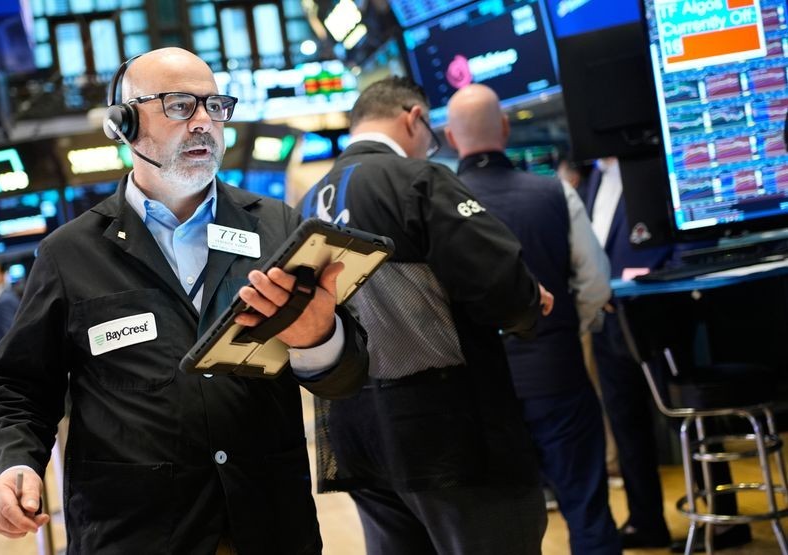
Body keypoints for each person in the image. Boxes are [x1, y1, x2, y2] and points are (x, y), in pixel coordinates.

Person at [0, 47, 368, 553]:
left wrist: (319, 339)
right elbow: (19, 386)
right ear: (124, 123)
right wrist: (13, 462)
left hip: (268, 525)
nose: (204, 122)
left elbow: (347, 376)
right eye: (181, 105)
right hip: (134, 532)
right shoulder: (70, 254)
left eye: (214, 105)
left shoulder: (278, 229)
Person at [297, 76, 549, 554]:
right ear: (414, 117)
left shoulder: (310, 203)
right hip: (450, 437)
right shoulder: (417, 179)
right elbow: (501, 282)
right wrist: (530, 303)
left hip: (358, 435)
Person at [446, 84, 619, 554]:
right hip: (558, 375)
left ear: (448, 136)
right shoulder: (555, 192)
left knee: (503, 527)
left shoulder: (435, 208)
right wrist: (568, 329)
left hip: (480, 392)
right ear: (504, 127)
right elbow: (596, 281)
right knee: (586, 509)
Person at [585, 158, 751, 553]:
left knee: (690, 422)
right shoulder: (595, 175)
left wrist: (660, 281)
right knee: (627, 428)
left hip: (658, 316)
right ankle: (646, 521)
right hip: (609, 319)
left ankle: (724, 519)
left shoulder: (656, 167)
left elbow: (692, 236)